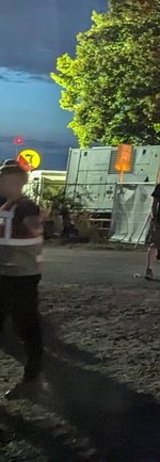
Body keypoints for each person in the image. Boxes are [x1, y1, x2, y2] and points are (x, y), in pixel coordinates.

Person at [0, 160, 46, 399]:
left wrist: (34, 226)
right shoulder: (9, 205)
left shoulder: (25, 207)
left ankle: (32, 379)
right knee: (22, 326)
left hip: (21, 276)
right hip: (7, 274)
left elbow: (36, 229)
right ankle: (32, 378)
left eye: (5, 178)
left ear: (17, 181)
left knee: (27, 327)